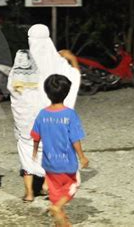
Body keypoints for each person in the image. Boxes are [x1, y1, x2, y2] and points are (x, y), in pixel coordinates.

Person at [31, 74, 89, 227]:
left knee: (55, 194)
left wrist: (35, 152)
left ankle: (61, 222)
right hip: (67, 163)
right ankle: (57, 208)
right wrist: (82, 157)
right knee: (73, 186)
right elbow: (75, 139)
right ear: (67, 92)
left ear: (46, 92)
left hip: (49, 164)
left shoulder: (42, 114)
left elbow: (36, 136)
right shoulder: (70, 114)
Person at [7, 49, 48, 202]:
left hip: (23, 125)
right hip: (41, 124)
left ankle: (29, 193)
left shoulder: (14, 76)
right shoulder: (40, 76)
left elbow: (10, 90)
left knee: (26, 156)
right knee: (45, 152)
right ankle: (46, 184)